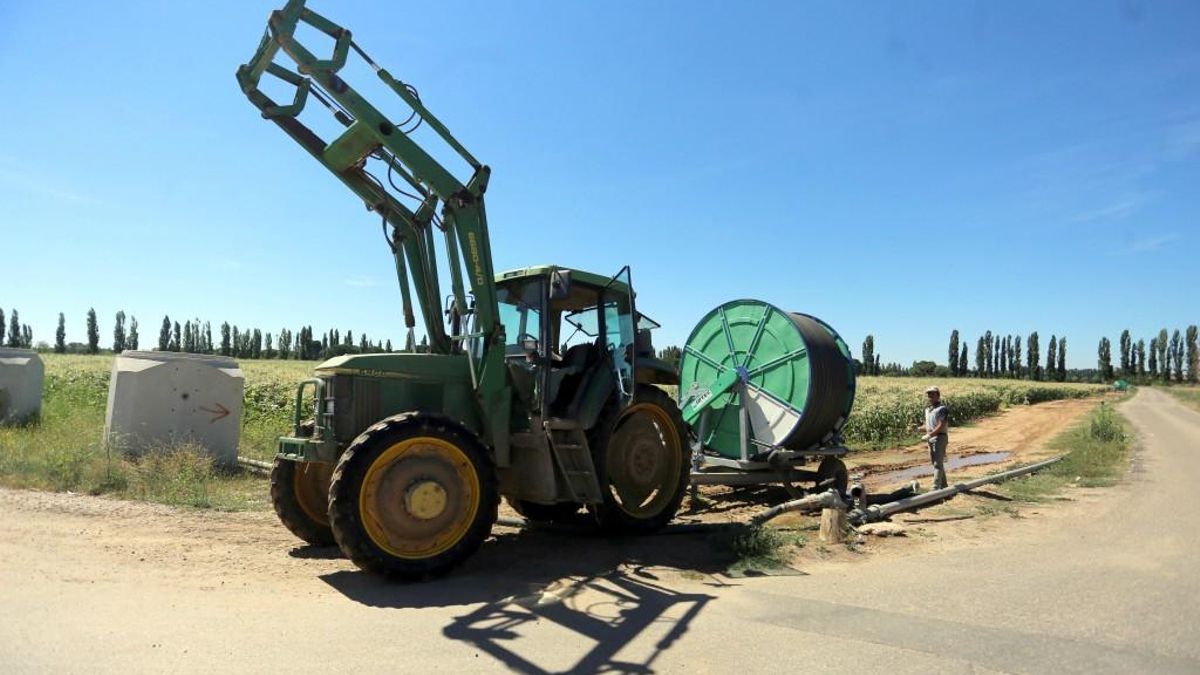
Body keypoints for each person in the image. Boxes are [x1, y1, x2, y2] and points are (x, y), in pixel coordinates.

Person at [918, 386, 949, 490]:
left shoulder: (942, 409)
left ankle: (935, 488)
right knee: (937, 463)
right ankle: (944, 487)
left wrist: (930, 434)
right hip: (931, 439)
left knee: (937, 464)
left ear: (938, 396)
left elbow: (941, 425)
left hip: (940, 438)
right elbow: (928, 426)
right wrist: (918, 428)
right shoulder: (928, 410)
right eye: (929, 394)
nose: (930, 397)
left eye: (932, 394)